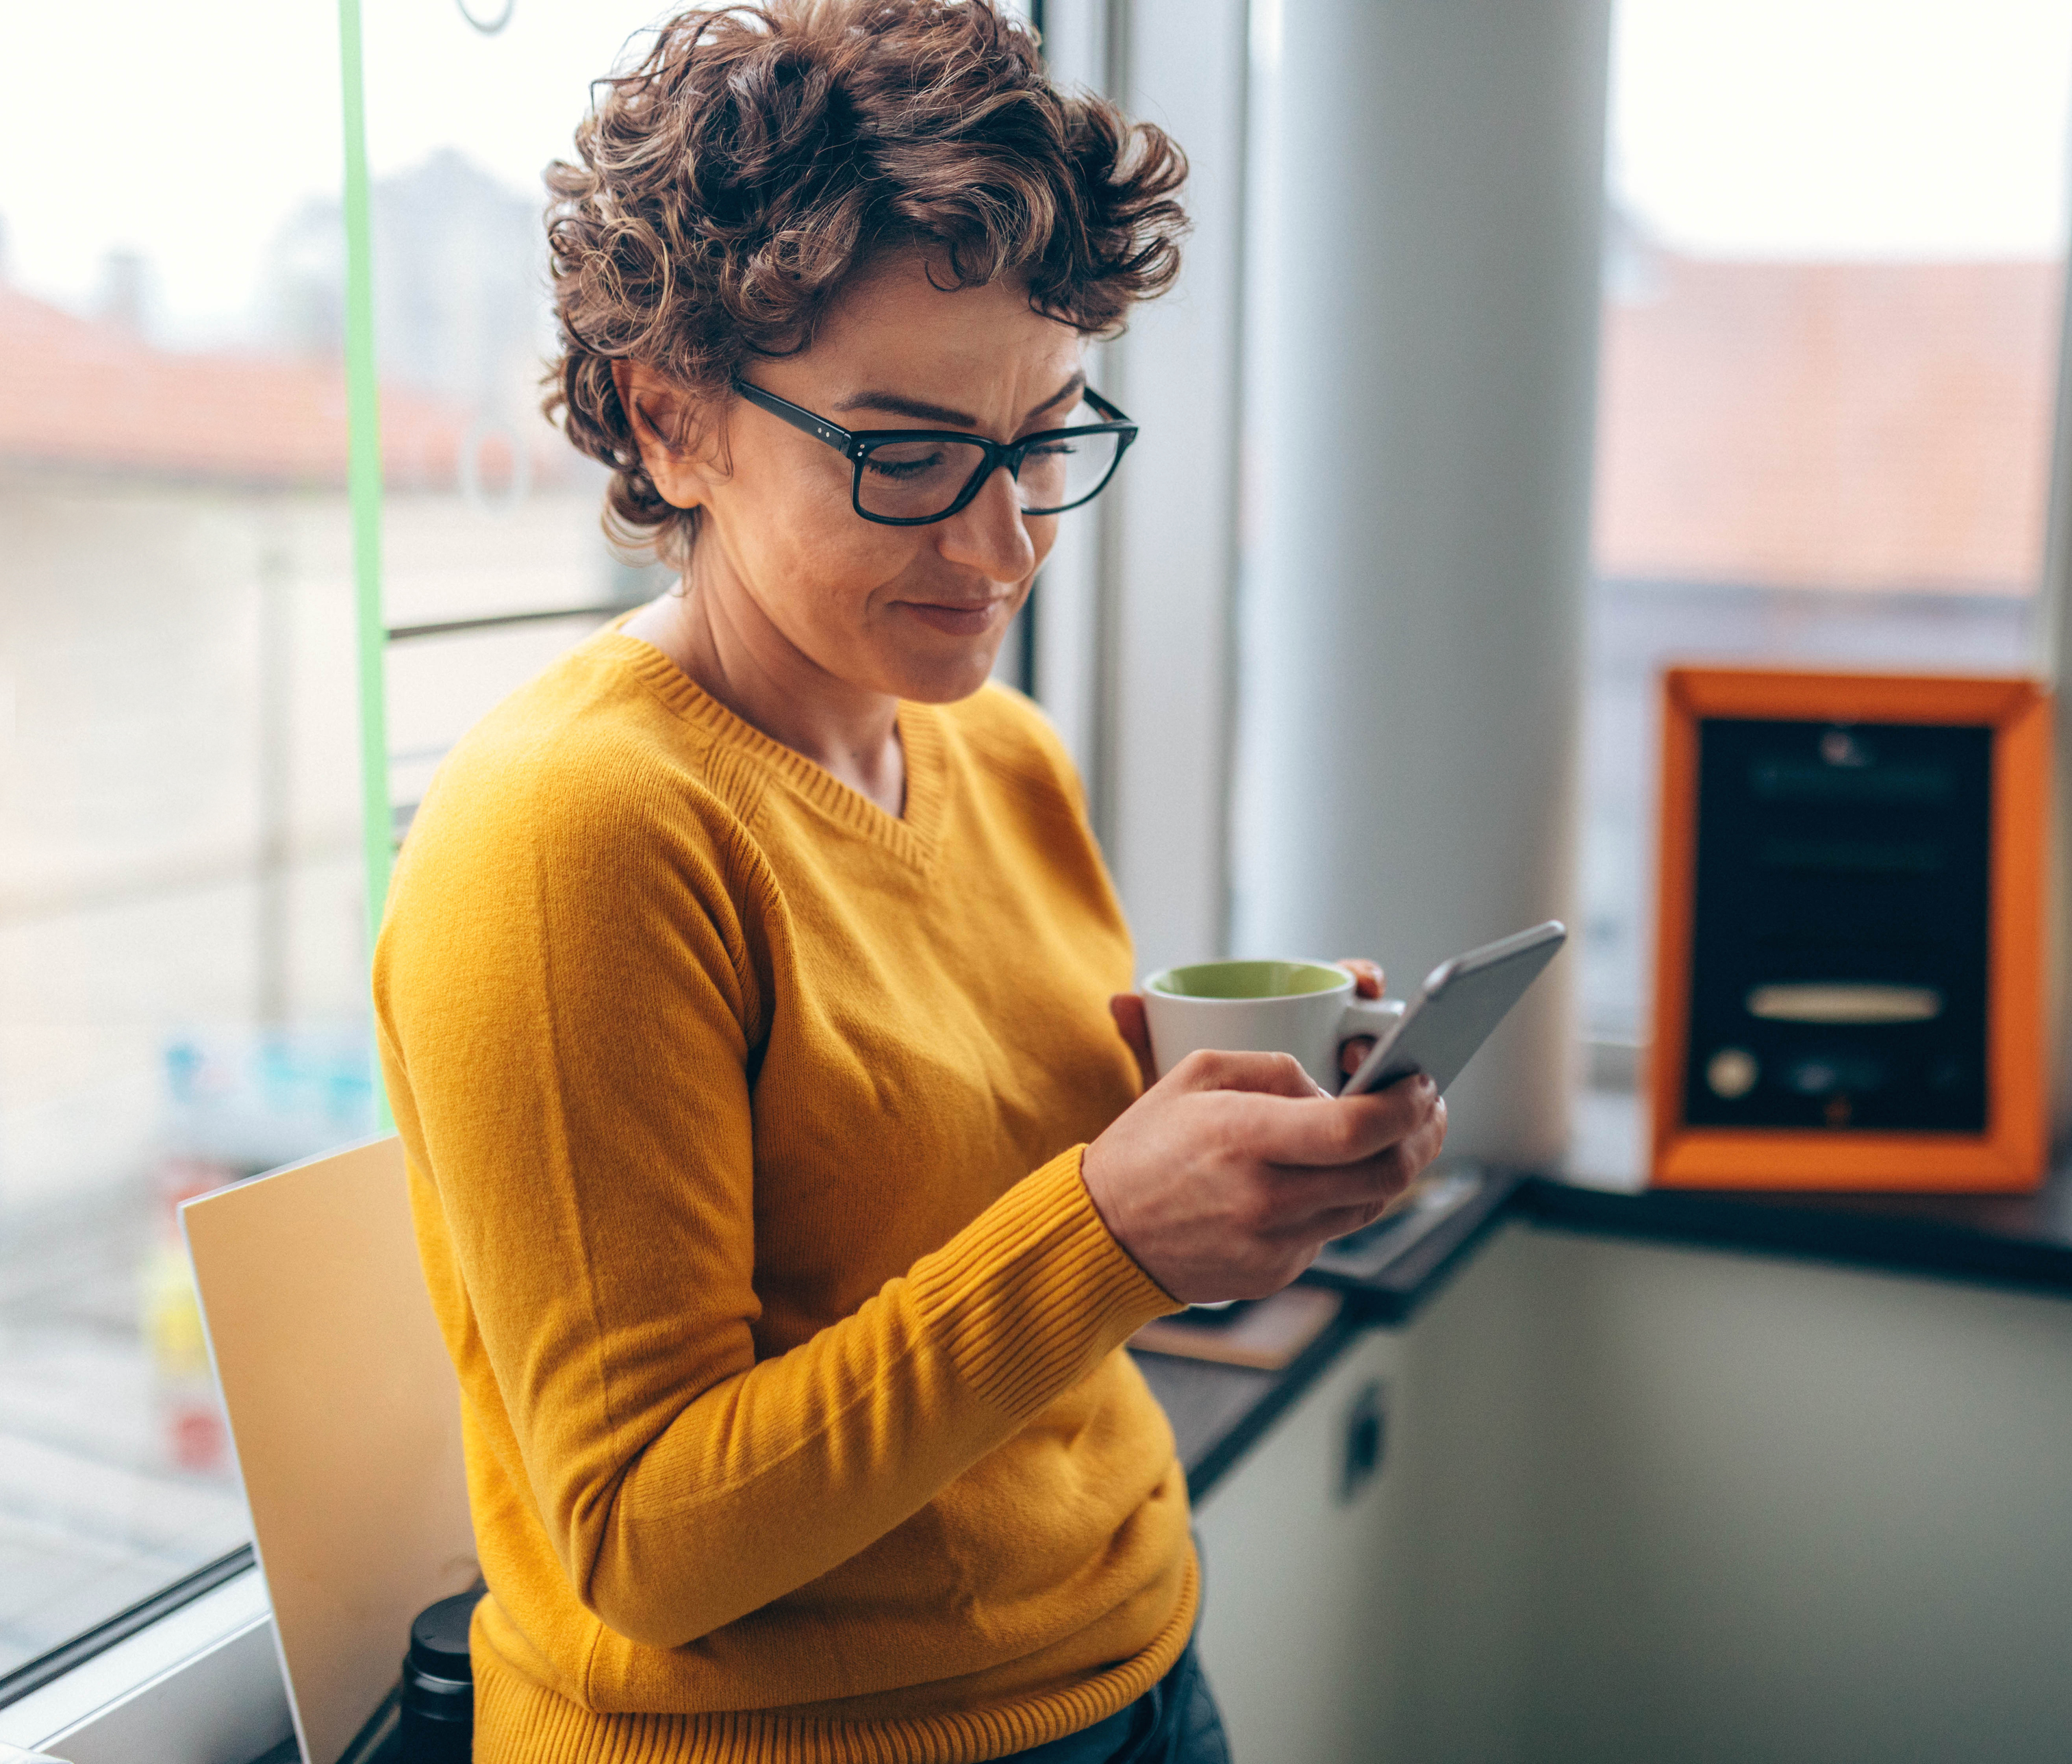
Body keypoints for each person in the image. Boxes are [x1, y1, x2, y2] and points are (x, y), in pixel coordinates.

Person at [372, 4, 1446, 1760]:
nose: (1002, 537)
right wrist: (1107, 1229)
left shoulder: (994, 753)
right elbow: (643, 1542)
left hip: (1137, 1663)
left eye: (1039, 437)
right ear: (671, 421)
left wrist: (1251, 1171)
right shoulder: (574, 831)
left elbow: (1001, 1261)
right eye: (905, 453)